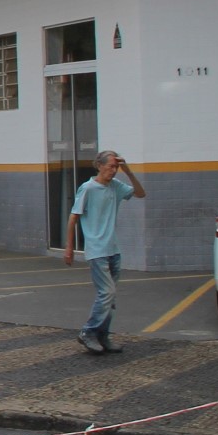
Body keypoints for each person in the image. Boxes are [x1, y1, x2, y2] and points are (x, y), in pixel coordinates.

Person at [62, 150, 145, 354]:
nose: (113, 171)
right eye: (110, 167)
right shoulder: (88, 188)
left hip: (113, 249)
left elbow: (140, 193)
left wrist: (128, 170)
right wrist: (70, 247)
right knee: (106, 293)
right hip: (97, 250)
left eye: (116, 168)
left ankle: (103, 335)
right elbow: (73, 217)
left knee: (110, 298)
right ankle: (88, 332)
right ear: (99, 166)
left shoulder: (116, 187)